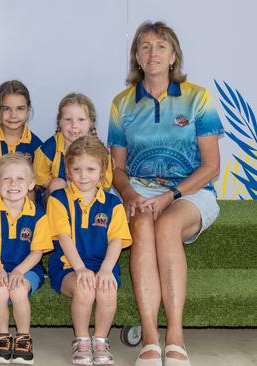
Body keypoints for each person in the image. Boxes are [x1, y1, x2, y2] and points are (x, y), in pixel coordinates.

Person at [107, 21, 224, 366]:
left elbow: (211, 167)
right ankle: (150, 338)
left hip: (190, 191)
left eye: (160, 46)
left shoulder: (198, 97)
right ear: (137, 59)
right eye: (144, 47)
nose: (152, 52)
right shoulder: (121, 103)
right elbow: (116, 169)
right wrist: (129, 194)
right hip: (139, 190)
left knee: (166, 226)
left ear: (173, 56)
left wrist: (170, 195)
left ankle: (175, 336)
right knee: (143, 225)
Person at [47, 136, 132, 365]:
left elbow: (116, 240)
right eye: (77, 169)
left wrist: (105, 270)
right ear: (68, 170)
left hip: (101, 264)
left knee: (106, 290)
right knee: (85, 288)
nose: (83, 175)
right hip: (68, 266)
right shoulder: (58, 199)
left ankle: (100, 340)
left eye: (91, 169)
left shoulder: (113, 204)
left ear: (103, 170)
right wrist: (81, 268)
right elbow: (63, 238)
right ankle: (82, 340)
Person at [0, 152, 53, 365]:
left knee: (17, 289)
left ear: (32, 183)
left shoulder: (39, 215)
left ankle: (24, 338)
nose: (13, 184)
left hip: (27, 269)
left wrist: (18, 272)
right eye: (6, 178)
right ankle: (3, 338)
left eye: (20, 178)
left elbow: (37, 252)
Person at [34, 93, 113, 197]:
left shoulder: (99, 151)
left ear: (91, 123)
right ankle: (59, 212)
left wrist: (81, 186)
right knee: (57, 184)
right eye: (68, 120)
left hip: (88, 197)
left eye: (81, 120)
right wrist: (68, 188)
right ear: (59, 122)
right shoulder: (49, 149)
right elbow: (39, 177)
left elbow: (106, 182)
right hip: (60, 198)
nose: (74, 125)